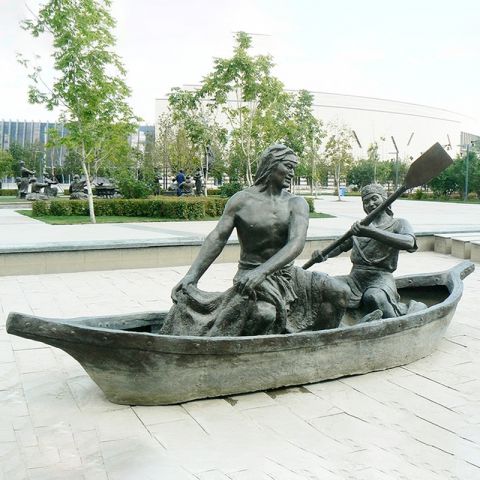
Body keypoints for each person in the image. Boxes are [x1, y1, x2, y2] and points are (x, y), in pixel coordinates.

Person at [160, 144, 348, 337]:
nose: (292, 173)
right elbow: (217, 238)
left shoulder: (297, 203)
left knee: (340, 291)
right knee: (264, 315)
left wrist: (263, 271)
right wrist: (192, 276)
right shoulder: (241, 200)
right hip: (250, 276)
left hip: (288, 276)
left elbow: (296, 243)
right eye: (288, 166)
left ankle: (317, 344)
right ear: (272, 164)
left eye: (294, 168)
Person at [311, 183, 424, 319]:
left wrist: (372, 232)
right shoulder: (361, 227)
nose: (370, 204)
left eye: (374, 198)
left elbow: (409, 242)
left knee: (373, 297)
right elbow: (340, 246)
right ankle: (338, 323)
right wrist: (324, 254)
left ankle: (397, 321)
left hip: (381, 278)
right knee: (325, 287)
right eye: (365, 202)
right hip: (355, 278)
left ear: (384, 199)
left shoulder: (399, 223)